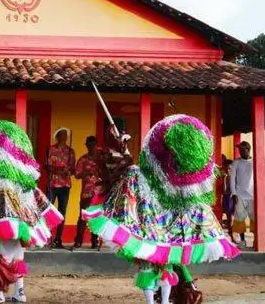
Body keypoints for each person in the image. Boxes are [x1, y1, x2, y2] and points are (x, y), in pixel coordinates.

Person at [82, 115, 239, 304]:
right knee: (165, 266)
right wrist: (123, 151)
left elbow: (122, 172)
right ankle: (162, 301)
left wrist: (123, 153)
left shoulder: (146, 178)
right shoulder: (183, 189)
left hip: (152, 231)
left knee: (153, 266)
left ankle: (157, 301)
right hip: (167, 234)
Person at [0, 120, 63, 303]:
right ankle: (19, 293)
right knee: (17, 258)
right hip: (25, 226)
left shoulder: (3, 187)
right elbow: (41, 202)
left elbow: (2, 211)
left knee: (1, 258)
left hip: (10, 226)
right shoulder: (26, 184)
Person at [73, 135, 106, 249]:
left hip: (99, 193)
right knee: (83, 217)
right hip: (86, 192)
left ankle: (94, 241)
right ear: (86, 145)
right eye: (89, 145)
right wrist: (85, 172)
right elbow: (77, 175)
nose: (91, 147)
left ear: (96, 145)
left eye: (93, 145)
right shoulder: (83, 159)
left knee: (96, 217)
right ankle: (78, 241)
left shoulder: (102, 159)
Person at [46, 127, 75, 248]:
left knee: (62, 212)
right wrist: (59, 170)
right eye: (61, 135)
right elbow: (47, 166)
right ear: (57, 137)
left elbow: (74, 169)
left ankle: (58, 238)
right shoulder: (51, 149)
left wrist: (69, 171)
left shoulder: (71, 151)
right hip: (53, 184)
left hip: (65, 185)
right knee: (49, 211)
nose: (64, 137)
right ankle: (47, 238)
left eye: (65, 135)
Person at [229, 141, 254, 246]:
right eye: (239, 150)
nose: (240, 152)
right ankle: (242, 240)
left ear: (248, 150)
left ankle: (256, 240)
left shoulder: (254, 161)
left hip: (253, 195)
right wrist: (233, 193)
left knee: (254, 219)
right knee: (240, 219)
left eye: (242, 150)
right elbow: (232, 179)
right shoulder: (236, 162)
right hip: (239, 195)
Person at [221, 158, 235, 232]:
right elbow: (224, 190)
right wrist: (224, 179)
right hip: (227, 198)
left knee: (232, 217)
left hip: (233, 198)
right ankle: (230, 232)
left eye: (229, 169)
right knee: (229, 217)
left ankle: (232, 232)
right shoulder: (225, 178)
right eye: (226, 169)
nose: (228, 171)